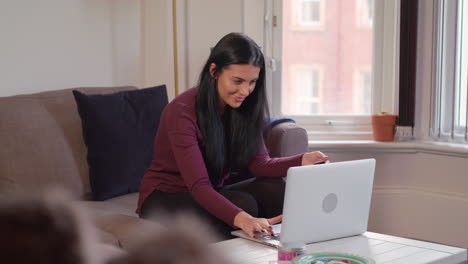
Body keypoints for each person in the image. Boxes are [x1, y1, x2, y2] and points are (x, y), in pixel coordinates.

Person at [136, 32, 328, 239]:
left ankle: (287, 253)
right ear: (214, 71)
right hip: (164, 196)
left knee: (274, 188)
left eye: (252, 82)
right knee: (245, 206)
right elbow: (199, 186)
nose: (245, 91)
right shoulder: (181, 111)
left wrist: (302, 160)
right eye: (237, 81)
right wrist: (244, 218)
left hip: (208, 190)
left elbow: (259, 165)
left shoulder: (244, 106)